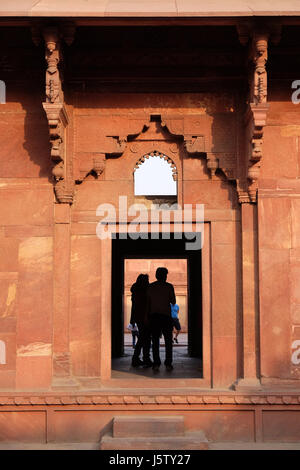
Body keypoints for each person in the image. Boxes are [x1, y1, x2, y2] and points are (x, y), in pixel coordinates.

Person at [147, 267, 176, 371]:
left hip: (154, 316)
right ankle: (168, 363)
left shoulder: (150, 287)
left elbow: (148, 303)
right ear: (165, 275)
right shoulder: (169, 287)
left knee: (155, 341)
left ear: (156, 275)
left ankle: (156, 363)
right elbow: (173, 301)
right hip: (165, 316)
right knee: (168, 341)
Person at [130, 274, 153, 368]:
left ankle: (140, 358)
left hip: (139, 317)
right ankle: (142, 358)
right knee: (145, 338)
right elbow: (145, 305)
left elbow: (134, 307)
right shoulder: (143, 292)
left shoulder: (136, 291)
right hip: (145, 317)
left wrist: (132, 319)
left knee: (144, 338)